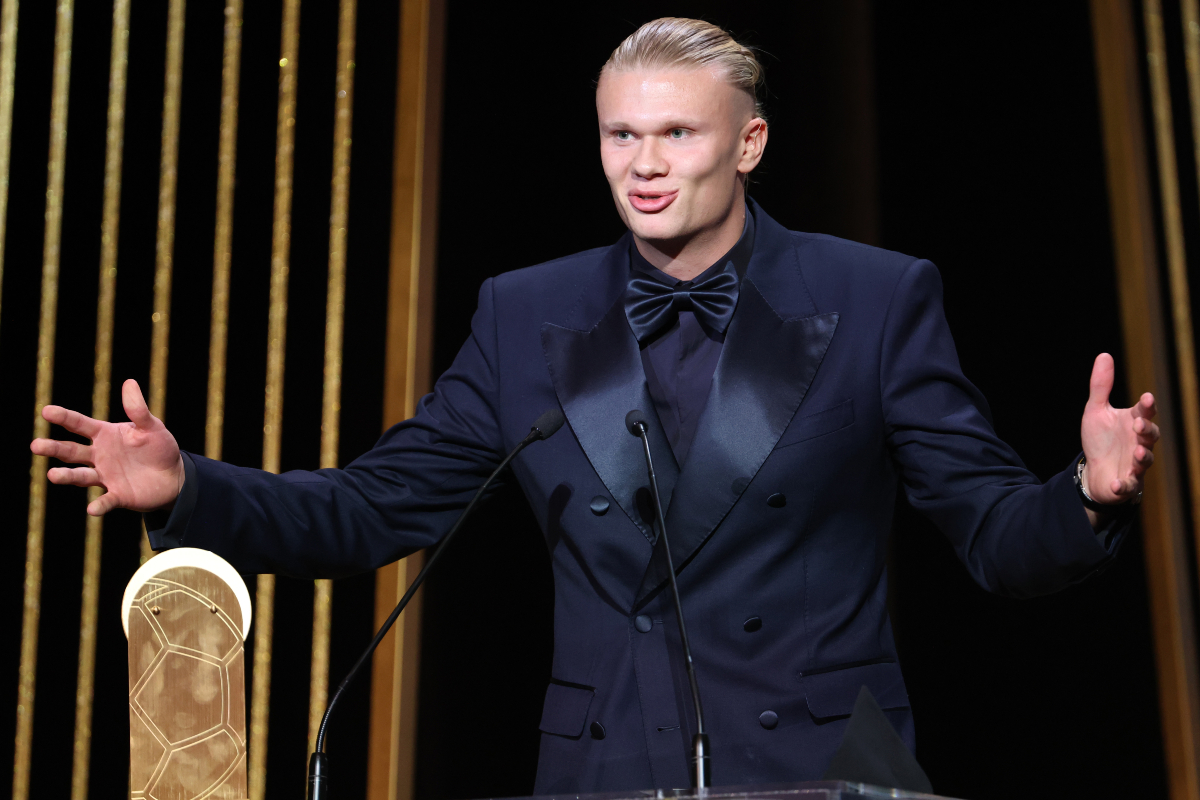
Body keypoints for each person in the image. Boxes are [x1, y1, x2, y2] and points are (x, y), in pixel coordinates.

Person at [32, 18, 1159, 793]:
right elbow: (375, 508)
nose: (646, 164)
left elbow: (994, 533)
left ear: (749, 143)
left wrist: (1087, 495)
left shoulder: (874, 297)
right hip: (604, 769)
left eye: (678, 133)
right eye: (624, 134)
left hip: (823, 771)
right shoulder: (527, 314)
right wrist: (190, 487)